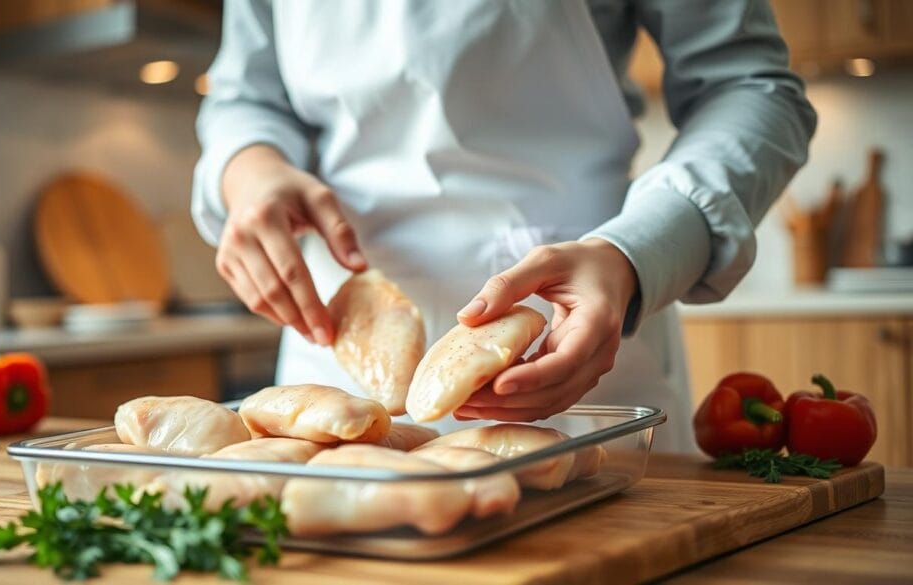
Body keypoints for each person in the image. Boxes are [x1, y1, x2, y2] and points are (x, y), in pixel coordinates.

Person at [191, 0, 816, 451]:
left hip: (574, 329)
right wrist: (250, 172)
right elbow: (245, 96)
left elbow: (752, 85)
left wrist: (635, 253)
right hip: (336, 341)